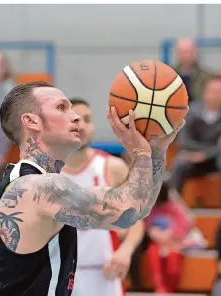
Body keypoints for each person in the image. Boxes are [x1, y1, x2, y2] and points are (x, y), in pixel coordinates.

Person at [0, 81, 185, 296]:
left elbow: (135, 209)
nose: (75, 117)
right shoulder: (36, 187)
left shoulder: (29, 181)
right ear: (31, 121)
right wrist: (145, 153)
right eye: (61, 108)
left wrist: (157, 150)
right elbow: (127, 210)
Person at [60, 98, 145, 296]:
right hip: (58, 273)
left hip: (103, 274)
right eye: (75, 120)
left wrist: (126, 251)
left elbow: (136, 219)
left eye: (87, 120)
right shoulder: (44, 173)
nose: (81, 126)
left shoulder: (112, 168)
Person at [171, 75, 221, 206]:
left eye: (219, 92)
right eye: (212, 91)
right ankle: (170, 208)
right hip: (196, 157)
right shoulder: (191, 111)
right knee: (180, 163)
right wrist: (206, 150)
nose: (215, 96)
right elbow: (183, 140)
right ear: (204, 93)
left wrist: (206, 154)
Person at [145, 180, 207, 293]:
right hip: (158, 243)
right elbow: (149, 226)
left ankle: (170, 288)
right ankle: (160, 286)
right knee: (152, 253)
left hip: (176, 243)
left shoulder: (174, 207)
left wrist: (171, 235)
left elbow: (185, 223)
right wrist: (156, 234)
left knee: (173, 259)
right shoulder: (150, 209)